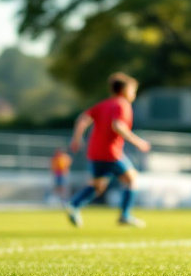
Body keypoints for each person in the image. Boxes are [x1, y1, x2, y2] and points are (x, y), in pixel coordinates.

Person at [64, 73, 151, 228]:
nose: (134, 94)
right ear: (124, 90)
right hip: (111, 153)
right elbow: (117, 125)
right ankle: (125, 215)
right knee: (132, 180)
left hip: (94, 152)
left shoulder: (104, 104)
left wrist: (76, 139)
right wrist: (138, 142)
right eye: (133, 90)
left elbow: (82, 119)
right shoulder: (122, 104)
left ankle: (74, 204)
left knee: (98, 186)